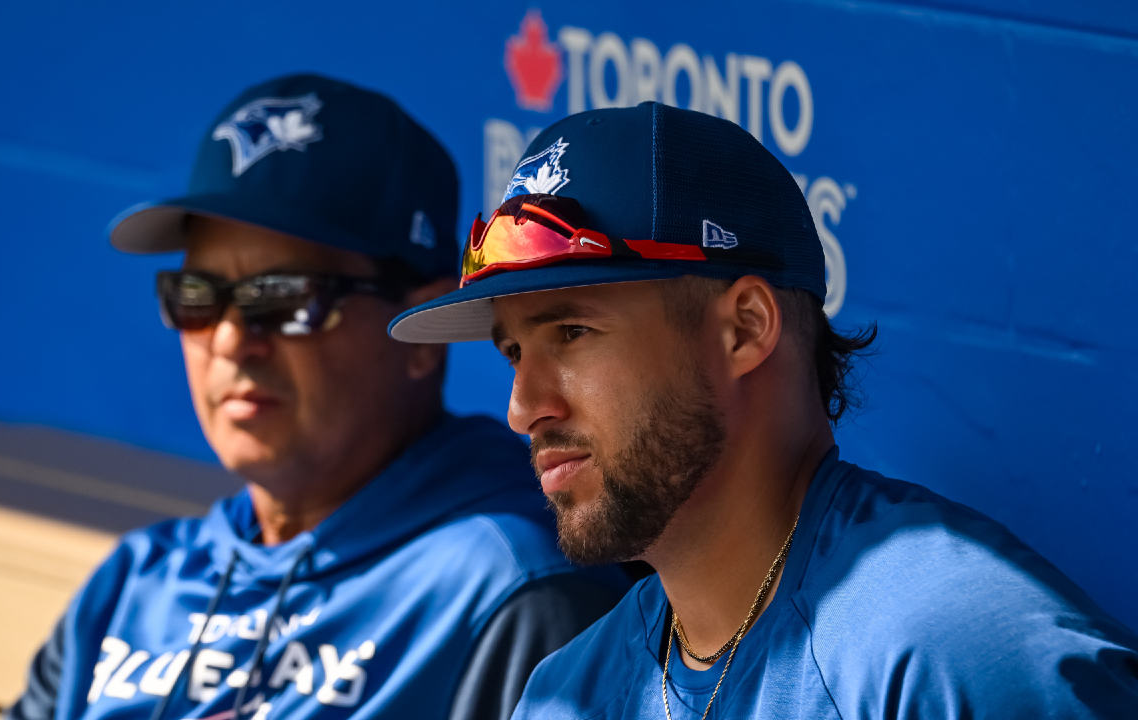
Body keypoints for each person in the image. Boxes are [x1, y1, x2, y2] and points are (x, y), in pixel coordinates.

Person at [389, 102, 1138, 718]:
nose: (524, 408)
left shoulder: (956, 656)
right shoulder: (564, 696)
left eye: (572, 332)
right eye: (514, 352)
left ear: (744, 328)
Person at [4, 74, 628, 720]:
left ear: (418, 331)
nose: (229, 339)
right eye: (196, 297)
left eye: (284, 299)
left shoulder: (512, 587)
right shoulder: (133, 586)